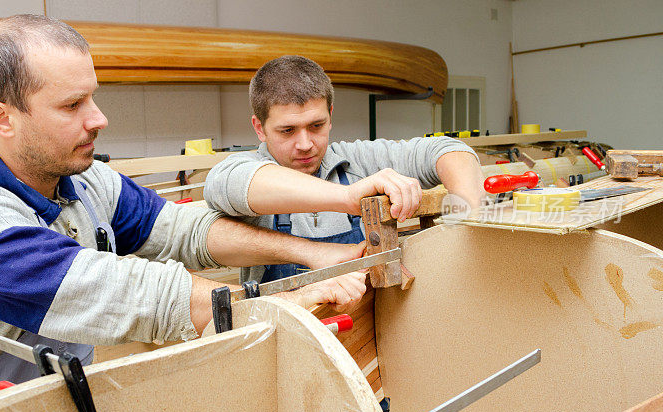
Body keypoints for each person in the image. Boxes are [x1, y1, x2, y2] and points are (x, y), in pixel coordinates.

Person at [0, 16, 368, 412]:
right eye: (72, 105)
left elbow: (182, 230)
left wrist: (309, 252)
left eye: (92, 98)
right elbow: (114, 292)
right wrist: (276, 304)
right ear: (3, 119)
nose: (99, 119)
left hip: (53, 408)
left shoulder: (86, 181)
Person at [204, 55, 486, 283]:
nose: (305, 144)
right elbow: (225, 183)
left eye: (316, 126)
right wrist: (348, 197)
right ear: (259, 128)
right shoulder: (245, 169)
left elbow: (447, 150)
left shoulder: (356, 159)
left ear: (331, 116)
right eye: (287, 130)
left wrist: (468, 221)